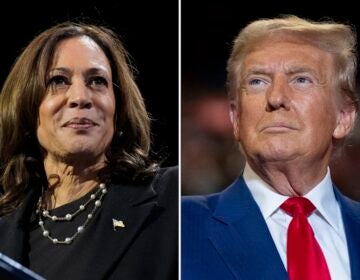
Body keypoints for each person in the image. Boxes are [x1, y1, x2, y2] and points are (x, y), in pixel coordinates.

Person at [182, 15, 360, 280]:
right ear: (236, 119)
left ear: (343, 117)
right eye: (257, 81)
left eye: (301, 79)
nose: (275, 98)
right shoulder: (179, 226)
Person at [0, 22, 178, 280]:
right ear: (27, 106)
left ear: (118, 107)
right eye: (58, 81)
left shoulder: (172, 199)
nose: (81, 97)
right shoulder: (5, 234)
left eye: (97, 81)